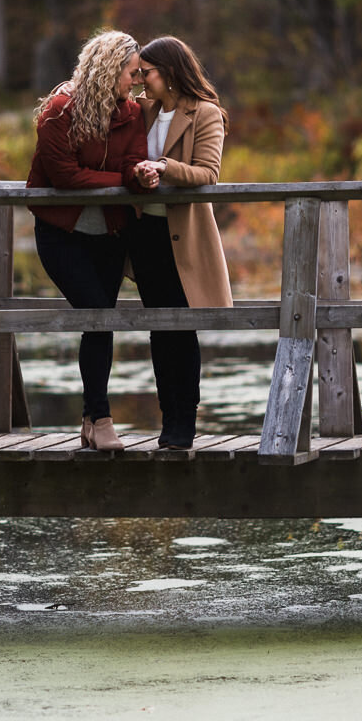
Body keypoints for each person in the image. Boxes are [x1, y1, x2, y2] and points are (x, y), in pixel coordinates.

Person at [26, 29, 148, 451]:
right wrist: (123, 182)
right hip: (62, 235)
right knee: (96, 314)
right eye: (132, 72)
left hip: (111, 235)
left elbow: (133, 162)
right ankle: (103, 418)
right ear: (111, 68)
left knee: (102, 322)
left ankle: (91, 421)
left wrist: (139, 176)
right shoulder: (60, 112)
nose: (136, 81)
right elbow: (65, 178)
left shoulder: (131, 113)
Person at [126, 36, 233, 450]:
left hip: (182, 236)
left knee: (181, 328)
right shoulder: (143, 110)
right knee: (158, 328)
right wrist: (139, 174)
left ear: (168, 72)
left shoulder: (206, 114)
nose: (140, 81)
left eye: (145, 73)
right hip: (144, 236)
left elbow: (208, 174)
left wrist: (164, 168)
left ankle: (182, 426)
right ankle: (166, 419)